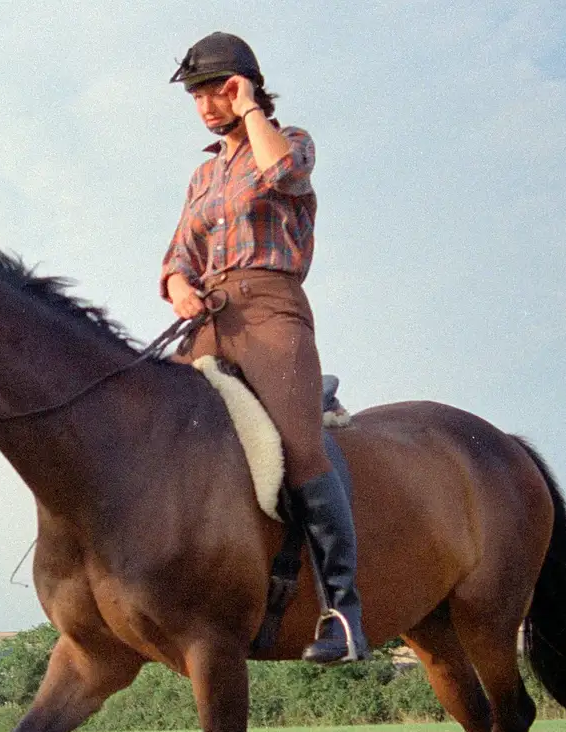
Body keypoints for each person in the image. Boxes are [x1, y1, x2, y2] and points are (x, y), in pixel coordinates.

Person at [161, 31, 367, 663]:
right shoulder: (202, 173)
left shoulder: (290, 141)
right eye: (197, 94)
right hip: (209, 318)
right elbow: (178, 255)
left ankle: (342, 610)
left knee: (299, 448)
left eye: (215, 90)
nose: (204, 104)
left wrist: (251, 109)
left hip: (272, 309)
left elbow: (285, 173)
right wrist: (176, 287)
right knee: (157, 426)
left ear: (244, 84)